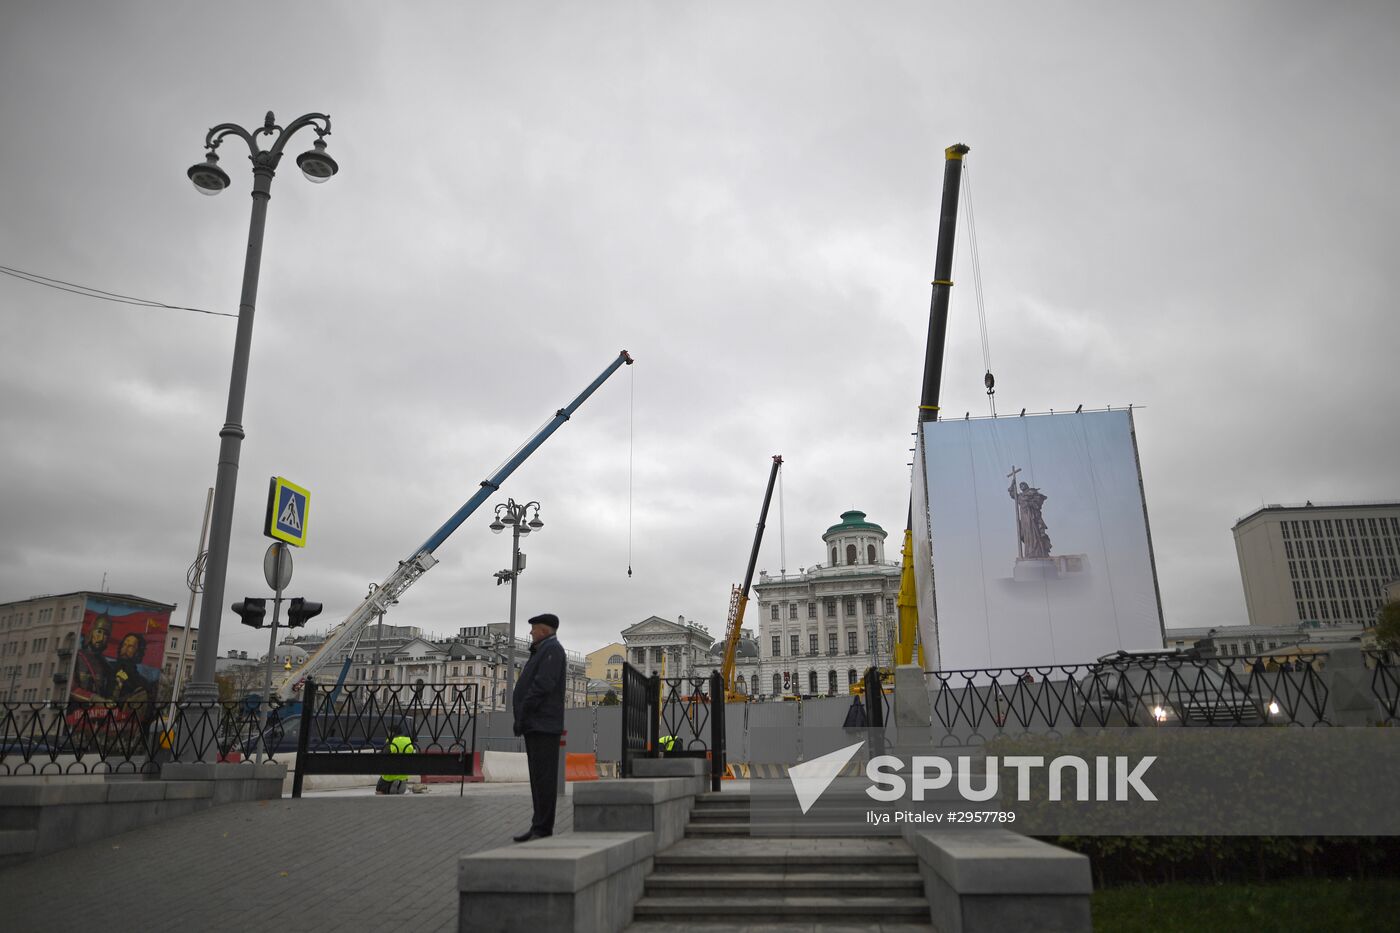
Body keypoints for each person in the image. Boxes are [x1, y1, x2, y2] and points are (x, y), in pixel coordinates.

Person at [511, 612, 566, 842]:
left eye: (534, 628)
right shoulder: (542, 650)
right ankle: (538, 825)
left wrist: (524, 710)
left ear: (544, 630)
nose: (531, 632)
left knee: (544, 779)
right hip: (536, 723)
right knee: (537, 778)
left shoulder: (551, 650)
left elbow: (543, 684)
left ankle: (543, 828)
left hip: (543, 723)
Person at [73, 613, 115, 699]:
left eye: (106, 634)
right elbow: (71, 688)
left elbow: (108, 695)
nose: (101, 637)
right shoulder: (77, 656)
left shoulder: (107, 666)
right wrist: (94, 698)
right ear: (91, 632)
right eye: (99, 631)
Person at [376, 722, 415, 795]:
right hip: (404, 773)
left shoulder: (391, 742)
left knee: (379, 789)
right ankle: (400, 784)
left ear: (392, 732)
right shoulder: (408, 741)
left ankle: (389, 788)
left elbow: (384, 755)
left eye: (388, 732)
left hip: (390, 774)